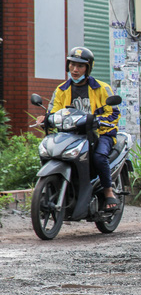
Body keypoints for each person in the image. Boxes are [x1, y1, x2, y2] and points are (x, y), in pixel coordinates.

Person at [39, 47, 120, 211]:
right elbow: (53, 111)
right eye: (72, 64)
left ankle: (108, 191)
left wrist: (98, 121)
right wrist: (46, 118)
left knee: (98, 157)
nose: (75, 70)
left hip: (100, 134)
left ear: (88, 68)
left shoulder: (101, 88)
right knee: (51, 152)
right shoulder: (61, 89)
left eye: (80, 66)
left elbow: (113, 113)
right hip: (71, 135)